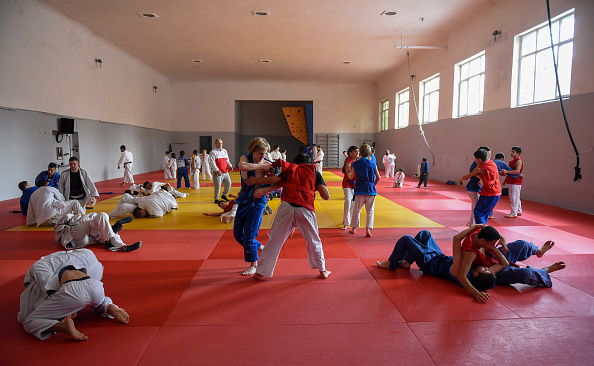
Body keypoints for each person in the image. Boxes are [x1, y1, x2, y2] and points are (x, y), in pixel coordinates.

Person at [245, 153, 331, 279]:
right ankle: (322, 270)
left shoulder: (290, 169)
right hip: (305, 208)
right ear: (310, 163)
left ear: (295, 162)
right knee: (313, 240)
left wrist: (256, 181)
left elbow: (275, 181)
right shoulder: (314, 173)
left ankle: (261, 271)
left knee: (275, 240)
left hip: (287, 207)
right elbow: (326, 196)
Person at [17, 249, 129, 341]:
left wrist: (70, 311)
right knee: (95, 299)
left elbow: (50, 291)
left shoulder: (41, 264)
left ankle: (63, 327)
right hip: (96, 287)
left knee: (28, 321)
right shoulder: (87, 253)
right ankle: (108, 306)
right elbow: (97, 275)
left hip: (72, 292)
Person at [377, 225, 506, 302]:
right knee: (425, 234)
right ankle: (406, 262)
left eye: (485, 270)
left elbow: (456, 239)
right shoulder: (475, 271)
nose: (486, 267)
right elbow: (504, 264)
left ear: (477, 274)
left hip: (429, 262)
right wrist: (495, 247)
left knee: (406, 239)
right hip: (439, 256)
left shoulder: (460, 268)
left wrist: (476, 293)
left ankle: (391, 264)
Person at [233, 137, 271, 275]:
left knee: (249, 233)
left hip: (258, 201)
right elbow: (243, 166)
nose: (263, 156)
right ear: (253, 151)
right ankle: (260, 247)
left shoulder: (269, 163)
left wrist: (264, 189)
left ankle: (254, 264)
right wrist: (262, 165)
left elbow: (279, 180)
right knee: (238, 234)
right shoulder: (246, 158)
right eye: (260, 153)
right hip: (244, 199)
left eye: (265, 153)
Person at [54, 213, 141, 252]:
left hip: (89, 237)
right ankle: (113, 237)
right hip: (78, 231)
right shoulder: (70, 217)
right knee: (103, 216)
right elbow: (58, 225)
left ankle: (122, 246)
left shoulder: (84, 217)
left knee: (105, 230)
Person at [459, 149, 501, 224]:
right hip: (497, 191)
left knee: (478, 212)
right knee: (484, 212)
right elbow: (484, 174)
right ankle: (482, 228)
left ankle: (480, 230)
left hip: (489, 192)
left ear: (479, 159)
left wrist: (461, 179)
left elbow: (467, 176)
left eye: (475, 158)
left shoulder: (480, 168)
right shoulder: (492, 163)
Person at [348, 144, 381, 237]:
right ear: (369, 153)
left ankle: (354, 228)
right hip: (371, 190)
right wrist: (373, 185)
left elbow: (351, 177)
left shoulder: (355, 164)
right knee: (370, 211)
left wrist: (347, 172)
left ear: (360, 153)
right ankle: (368, 230)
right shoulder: (373, 164)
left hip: (359, 189)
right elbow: (378, 178)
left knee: (356, 210)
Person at [108, 190, 178, 219]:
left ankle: (109, 215)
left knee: (124, 206)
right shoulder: (170, 199)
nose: (144, 216)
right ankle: (114, 213)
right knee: (126, 196)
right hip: (143, 202)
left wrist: (149, 214)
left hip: (145, 203)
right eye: (144, 215)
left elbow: (159, 215)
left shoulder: (172, 202)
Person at [502, 146, 524, 218]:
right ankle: (518, 210)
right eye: (511, 151)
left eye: (513, 152)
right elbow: (511, 171)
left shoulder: (518, 161)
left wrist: (507, 171)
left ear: (518, 153)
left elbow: (517, 171)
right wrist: (505, 172)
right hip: (511, 180)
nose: (511, 153)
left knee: (514, 197)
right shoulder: (511, 161)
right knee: (515, 197)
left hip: (516, 181)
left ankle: (513, 212)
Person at [210, 138, 233, 204]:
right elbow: (212, 163)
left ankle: (224, 195)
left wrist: (230, 165)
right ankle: (216, 199)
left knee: (229, 183)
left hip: (225, 171)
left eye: (221, 143)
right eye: (219, 143)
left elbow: (227, 160)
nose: (220, 145)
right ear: (215, 144)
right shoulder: (213, 152)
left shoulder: (224, 151)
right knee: (218, 186)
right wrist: (217, 170)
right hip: (218, 173)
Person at [341, 145, 359, 230]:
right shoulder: (348, 162)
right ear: (350, 153)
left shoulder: (358, 161)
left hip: (355, 185)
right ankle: (346, 222)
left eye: (358, 151)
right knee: (348, 201)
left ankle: (350, 219)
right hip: (347, 184)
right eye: (355, 151)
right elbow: (350, 176)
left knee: (353, 203)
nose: (357, 153)